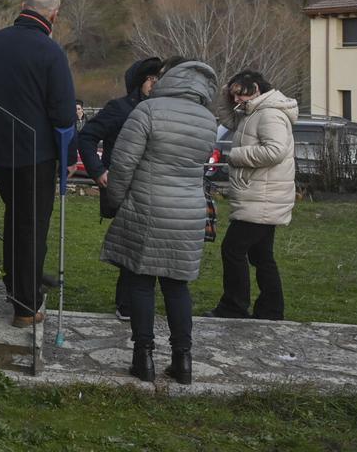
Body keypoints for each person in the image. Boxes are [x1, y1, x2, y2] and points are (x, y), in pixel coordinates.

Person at [101, 59, 219, 385]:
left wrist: (114, 201)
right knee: (177, 286)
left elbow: (123, 164)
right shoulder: (209, 120)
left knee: (140, 283)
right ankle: (183, 361)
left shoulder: (148, 111)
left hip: (147, 208)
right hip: (189, 212)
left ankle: (144, 357)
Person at [0, 0, 77, 327]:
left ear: (23, 7)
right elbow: (63, 114)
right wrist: (70, 157)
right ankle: (26, 304)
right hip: (36, 154)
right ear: (53, 15)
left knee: (15, 219)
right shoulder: (50, 51)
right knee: (32, 226)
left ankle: (17, 285)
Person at [76, 57, 162, 320]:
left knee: (151, 244)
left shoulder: (162, 109)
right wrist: (99, 172)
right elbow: (87, 136)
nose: (155, 84)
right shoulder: (119, 108)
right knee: (132, 244)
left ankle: (136, 302)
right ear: (142, 82)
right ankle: (127, 304)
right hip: (125, 187)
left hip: (154, 188)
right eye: (151, 80)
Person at [207, 70, 297, 320]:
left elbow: (275, 151)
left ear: (255, 89)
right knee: (261, 256)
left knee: (233, 249)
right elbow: (227, 119)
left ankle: (234, 306)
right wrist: (227, 93)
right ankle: (271, 310)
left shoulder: (269, 114)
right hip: (259, 195)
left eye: (241, 94)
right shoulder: (253, 112)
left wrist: (236, 156)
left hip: (261, 197)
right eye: (234, 96)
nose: (237, 100)